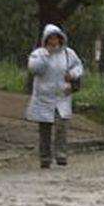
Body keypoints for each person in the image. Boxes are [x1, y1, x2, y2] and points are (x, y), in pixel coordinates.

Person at [26, 23, 85, 169]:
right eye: (50, 38)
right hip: (44, 97)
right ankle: (45, 157)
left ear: (60, 38)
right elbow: (34, 68)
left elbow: (78, 66)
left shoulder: (67, 53)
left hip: (62, 96)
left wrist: (72, 75)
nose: (54, 41)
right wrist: (46, 54)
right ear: (46, 39)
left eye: (56, 38)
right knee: (45, 129)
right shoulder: (39, 53)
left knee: (61, 126)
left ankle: (61, 154)